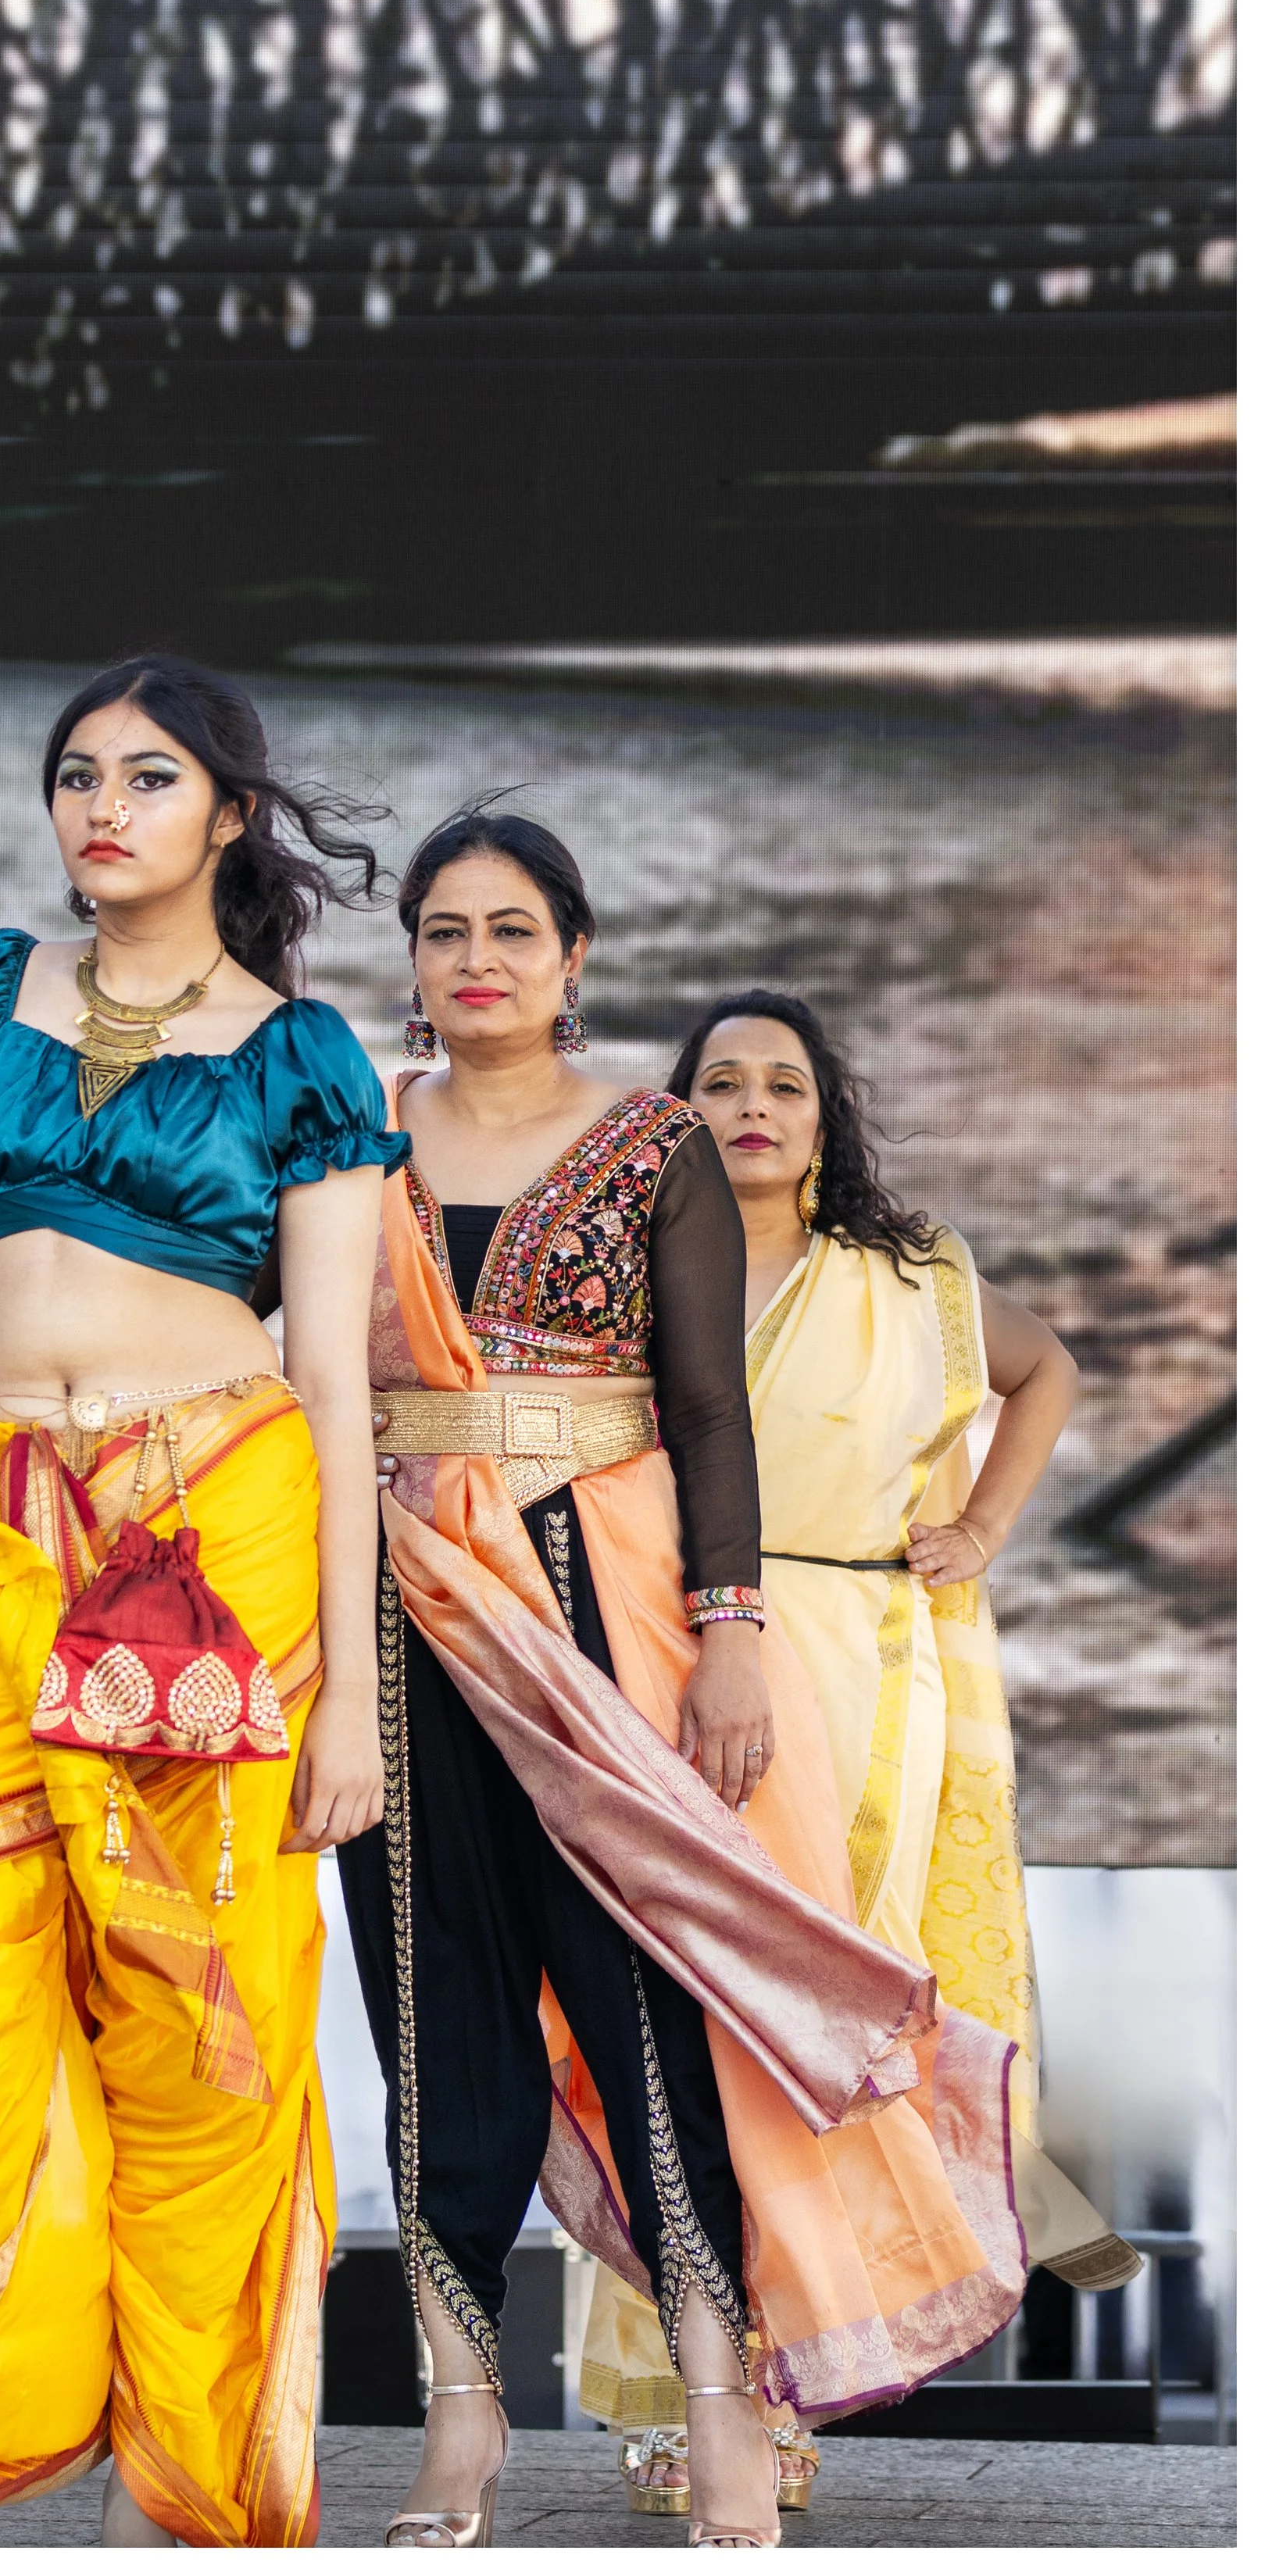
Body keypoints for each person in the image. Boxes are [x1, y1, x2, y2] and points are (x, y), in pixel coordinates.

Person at [0, 657, 407, 2548]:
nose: (100, 807)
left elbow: (337, 1384)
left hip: (208, 1535)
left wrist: (352, 1703)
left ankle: (179, 2499)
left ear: (229, 814)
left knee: (196, 2016)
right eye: (74, 774)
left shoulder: (303, 1056)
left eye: (147, 775)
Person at [341, 810, 1030, 2552]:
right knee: (433, 2015)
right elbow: (268, 1347)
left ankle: (723, 2402)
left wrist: (731, 1633)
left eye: (512, 929)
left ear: (573, 957)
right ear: (410, 959)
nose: (475, 960)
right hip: (404, 1606)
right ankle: (461, 2414)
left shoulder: (653, 1145)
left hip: (607, 1612)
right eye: (443, 931)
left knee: (648, 2004)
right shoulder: (349, 1134)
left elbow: (708, 1406)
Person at [584, 989, 1138, 2512]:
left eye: (784, 1084)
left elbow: (1044, 1369)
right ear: (675, 1117)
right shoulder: (618, 1275)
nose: (752, 1106)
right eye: (720, 1083)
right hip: (664, 1653)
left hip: (854, 1664)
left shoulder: (909, 1276)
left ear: (825, 1119)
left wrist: (981, 1524)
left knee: (818, 2018)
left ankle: (784, 2377)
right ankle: (684, 2380)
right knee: (678, 2017)